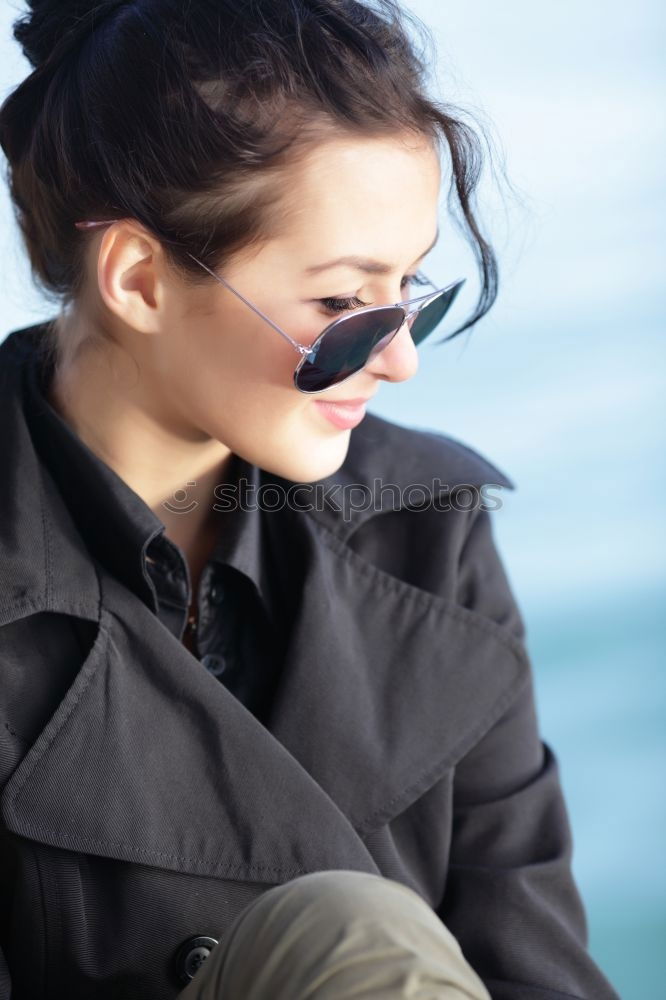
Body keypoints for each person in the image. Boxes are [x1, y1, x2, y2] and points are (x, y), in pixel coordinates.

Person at [0, 1, 621, 998]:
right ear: (142, 280)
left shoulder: (434, 533)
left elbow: (540, 964)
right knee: (345, 925)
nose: (402, 359)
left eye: (409, 290)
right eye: (342, 304)